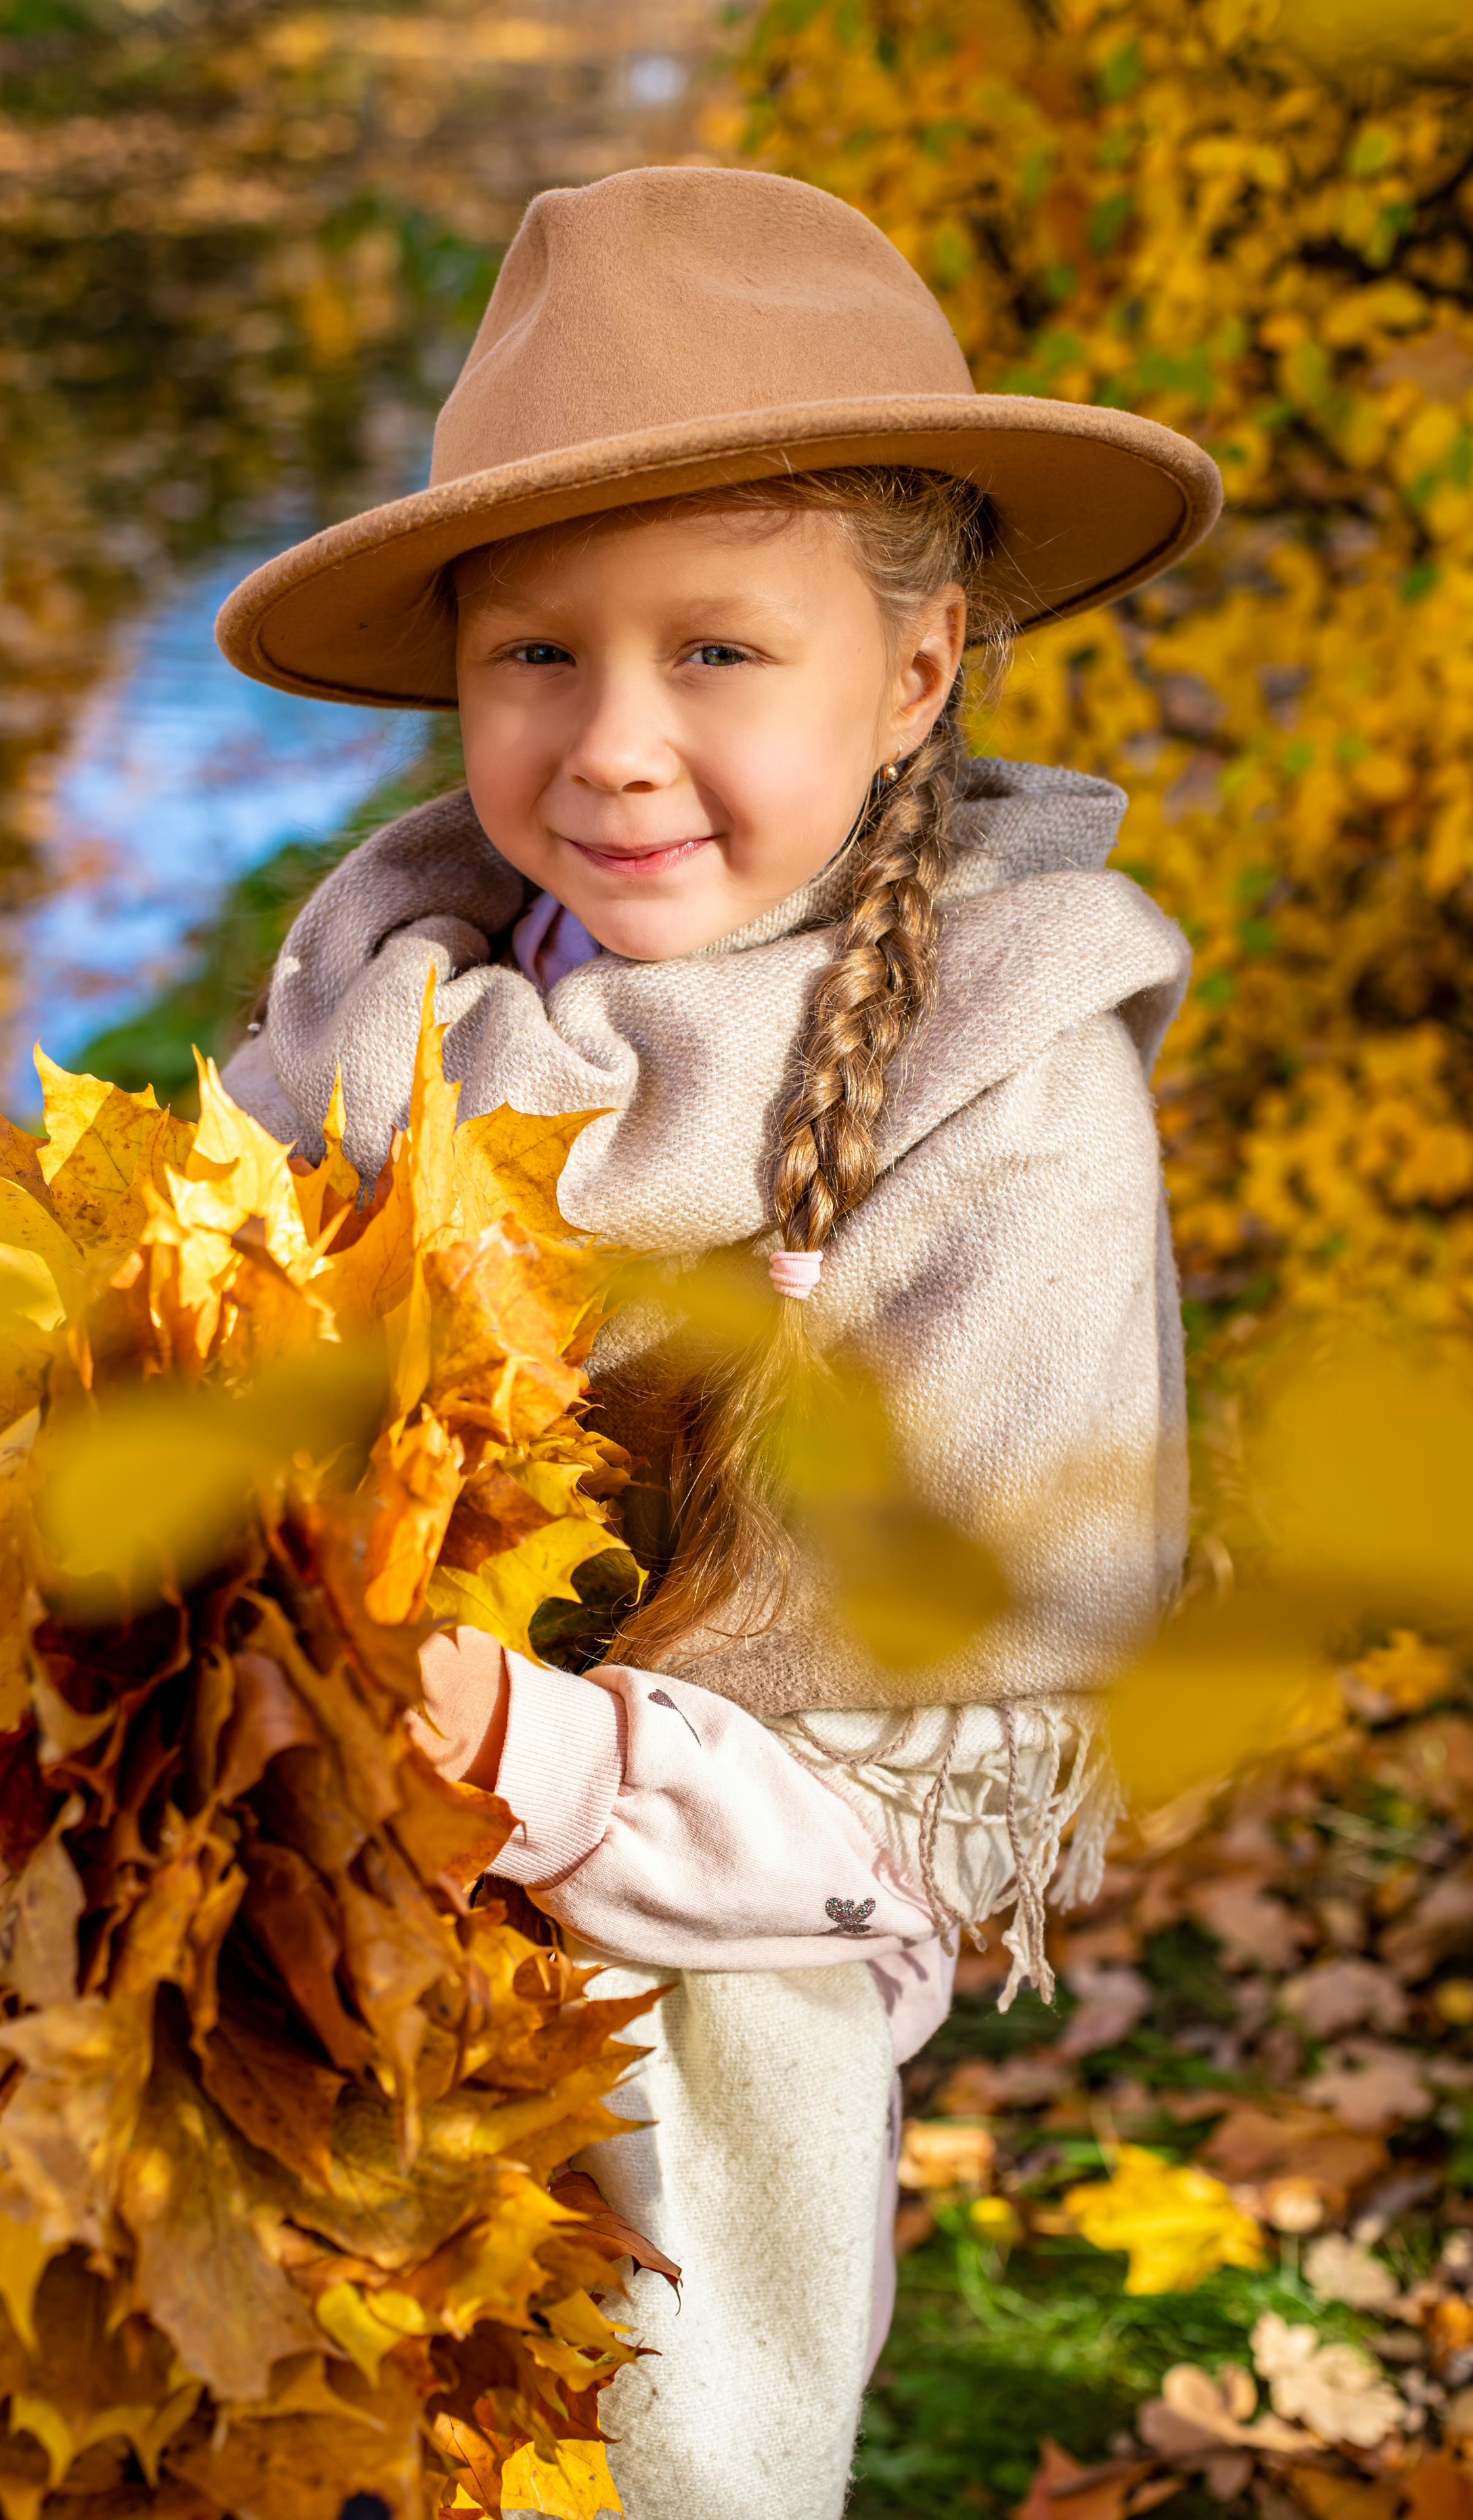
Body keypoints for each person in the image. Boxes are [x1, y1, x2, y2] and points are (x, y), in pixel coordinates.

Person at [217, 165, 1219, 2520]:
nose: (613, 745)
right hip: (284, 1950)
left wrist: (535, 1750)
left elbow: (923, 1807)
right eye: (535, 656)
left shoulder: (1008, 1102)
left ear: (919, 670)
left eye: (720, 652)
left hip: (673, 2057)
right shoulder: (392, 1010)